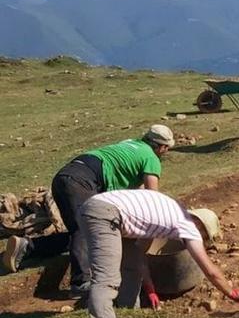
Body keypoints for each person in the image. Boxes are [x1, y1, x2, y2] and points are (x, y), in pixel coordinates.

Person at [77, 189, 239, 318]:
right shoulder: (188, 225)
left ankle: (128, 311)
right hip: (105, 213)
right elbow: (210, 270)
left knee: (131, 264)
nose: (202, 240)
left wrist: (150, 289)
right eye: (205, 237)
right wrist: (232, 293)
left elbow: (140, 257)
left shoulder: (166, 215)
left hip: (104, 209)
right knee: (106, 280)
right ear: (201, 226)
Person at [2, 125, 175, 298]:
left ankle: (26, 248)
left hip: (66, 176)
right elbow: (153, 197)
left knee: (82, 232)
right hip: (82, 181)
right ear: (162, 147)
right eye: (167, 149)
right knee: (85, 228)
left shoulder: (130, 144)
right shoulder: (151, 158)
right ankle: (82, 282)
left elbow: (134, 190)